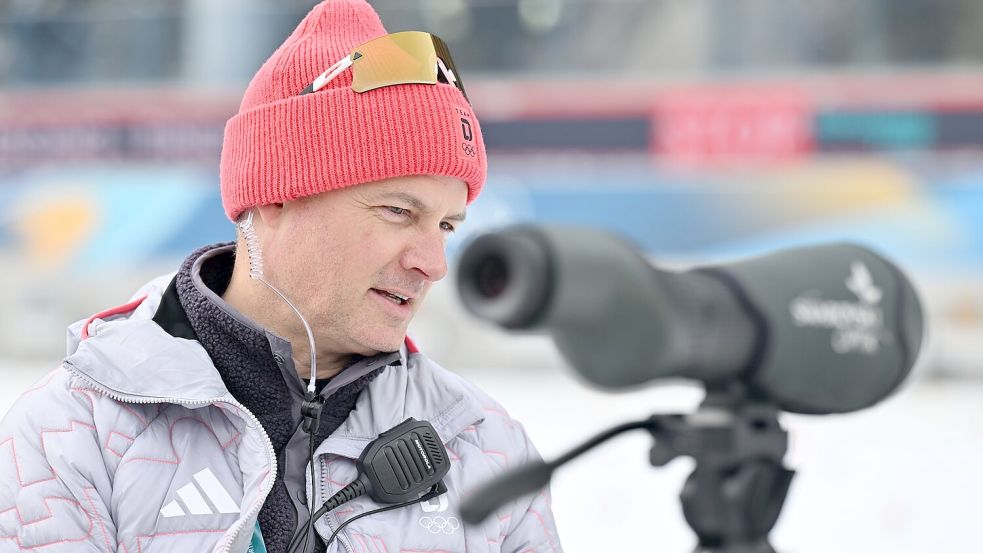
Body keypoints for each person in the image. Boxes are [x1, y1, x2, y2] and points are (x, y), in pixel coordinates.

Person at [0, 1, 562, 552]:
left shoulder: (484, 447)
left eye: (445, 225)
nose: (433, 263)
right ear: (276, 197)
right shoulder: (72, 435)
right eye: (398, 211)